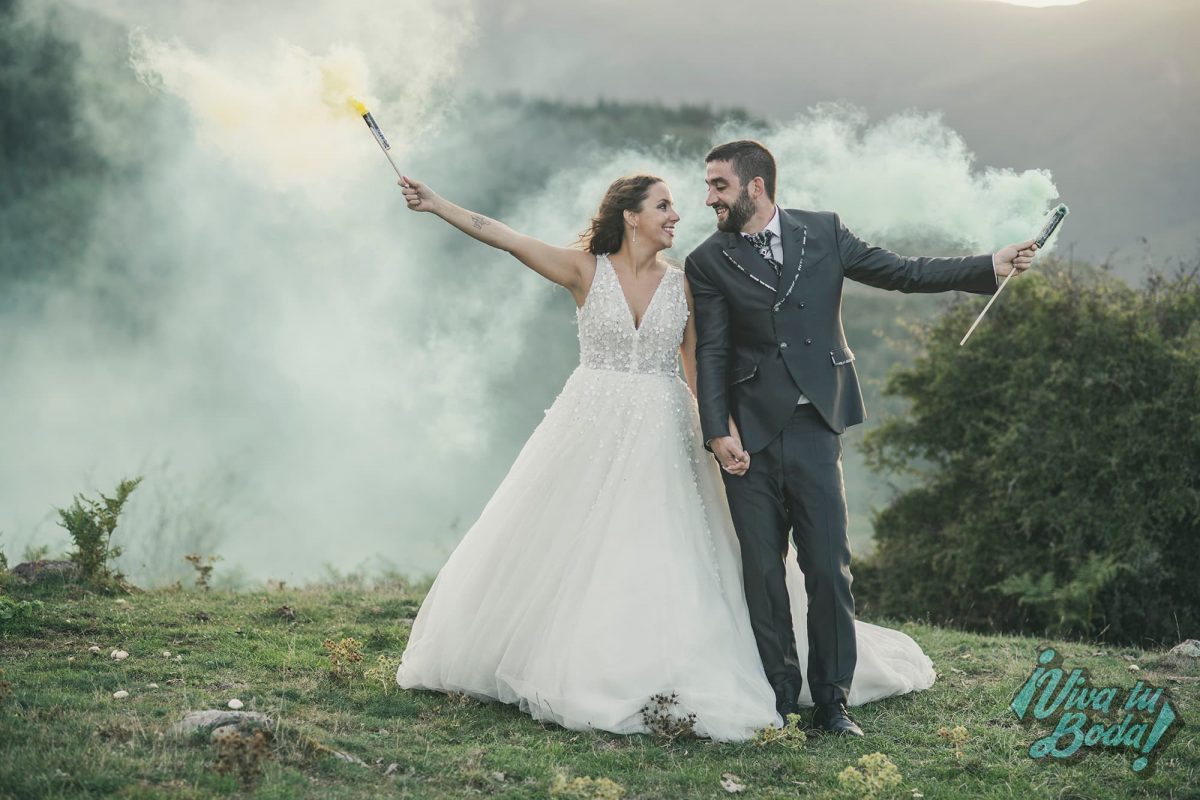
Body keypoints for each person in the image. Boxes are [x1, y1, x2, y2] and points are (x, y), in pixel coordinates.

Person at [393, 172, 942, 741]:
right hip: (589, 425)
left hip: (665, 424)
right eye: (663, 206)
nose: (677, 215)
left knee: (673, 541)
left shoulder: (684, 284)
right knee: (573, 540)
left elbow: (697, 364)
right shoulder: (584, 270)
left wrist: (721, 431)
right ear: (631, 216)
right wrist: (436, 204)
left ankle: (754, 670)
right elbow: (502, 235)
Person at [686, 139, 1037, 737]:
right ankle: (777, 696)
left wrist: (989, 266)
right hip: (748, 437)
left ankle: (831, 702)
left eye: (718, 184)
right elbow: (712, 350)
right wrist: (716, 430)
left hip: (816, 425)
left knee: (828, 567)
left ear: (756, 186)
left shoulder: (824, 232)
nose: (709, 196)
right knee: (764, 574)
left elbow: (902, 273)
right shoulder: (707, 260)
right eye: (708, 185)